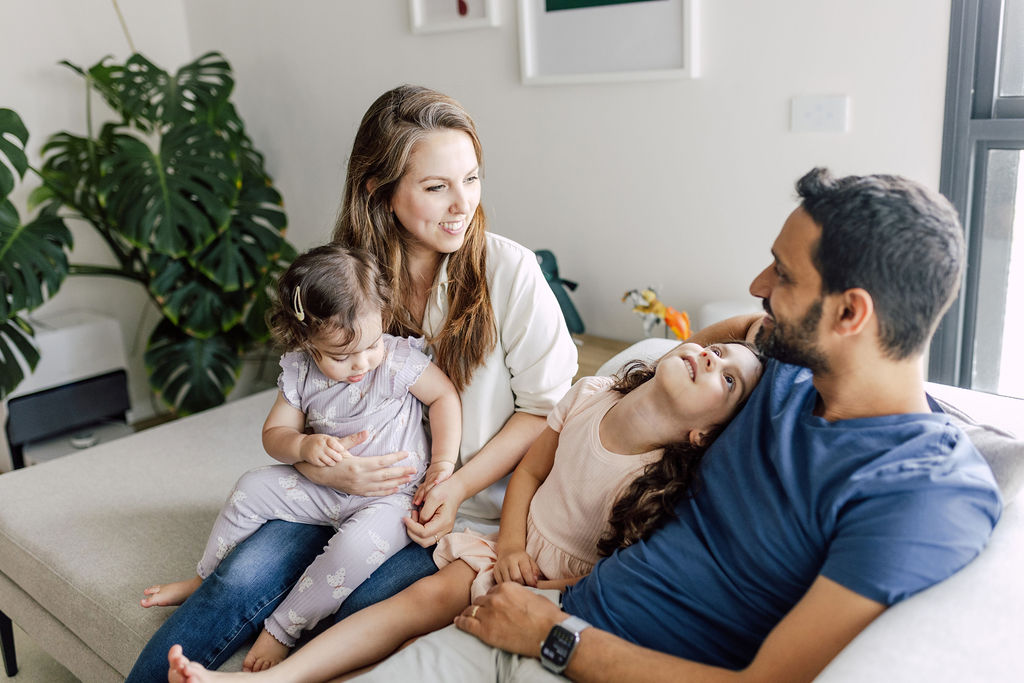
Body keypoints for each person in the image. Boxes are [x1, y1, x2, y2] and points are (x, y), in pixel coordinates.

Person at [332, 167, 1001, 682]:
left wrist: (554, 637)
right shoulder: (783, 370)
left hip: (580, 653)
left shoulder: (919, 490)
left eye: (784, 274)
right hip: (529, 613)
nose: (758, 281)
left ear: (851, 314)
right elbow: (716, 341)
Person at [125, 85, 577, 680]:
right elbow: (315, 402)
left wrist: (455, 483)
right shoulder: (348, 278)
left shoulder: (509, 271)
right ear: (379, 190)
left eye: (471, 179)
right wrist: (322, 467)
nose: (461, 204)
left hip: (448, 511)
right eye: (436, 187)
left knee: (355, 607)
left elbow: (546, 410)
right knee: (238, 577)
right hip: (341, 486)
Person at [164, 341, 765, 682]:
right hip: (512, 543)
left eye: (729, 379)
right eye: (714, 350)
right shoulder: (592, 395)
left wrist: (543, 583)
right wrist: (507, 548)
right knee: (413, 605)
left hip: (563, 585)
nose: (712, 358)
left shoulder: (661, 483)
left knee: (435, 638)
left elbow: (622, 569)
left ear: (704, 436)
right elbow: (529, 471)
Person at [140, 243, 462, 671]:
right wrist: (304, 446)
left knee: (353, 549)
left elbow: (444, 398)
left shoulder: (398, 359)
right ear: (305, 340)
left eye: (369, 346)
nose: (360, 364)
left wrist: (442, 465)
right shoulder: (299, 370)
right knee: (251, 487)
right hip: (322, 486)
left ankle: (282, 630)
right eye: (340, 356)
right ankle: (202, 579)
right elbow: (274, 435)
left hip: (392, 496)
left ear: (381, 318)